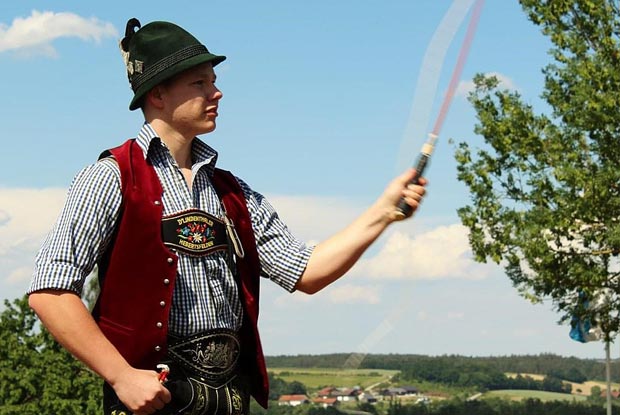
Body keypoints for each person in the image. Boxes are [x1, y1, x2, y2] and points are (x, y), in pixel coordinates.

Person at [27, 18, 427, 415]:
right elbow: (49, 290)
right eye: (199, 83)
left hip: (228, 399)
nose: (216, 92)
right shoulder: (111, 176)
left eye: (213, 81)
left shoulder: (232, 192)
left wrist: (383, 212)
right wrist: (121, 376)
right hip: (150, 402)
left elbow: (307, 272)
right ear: (158, 93)